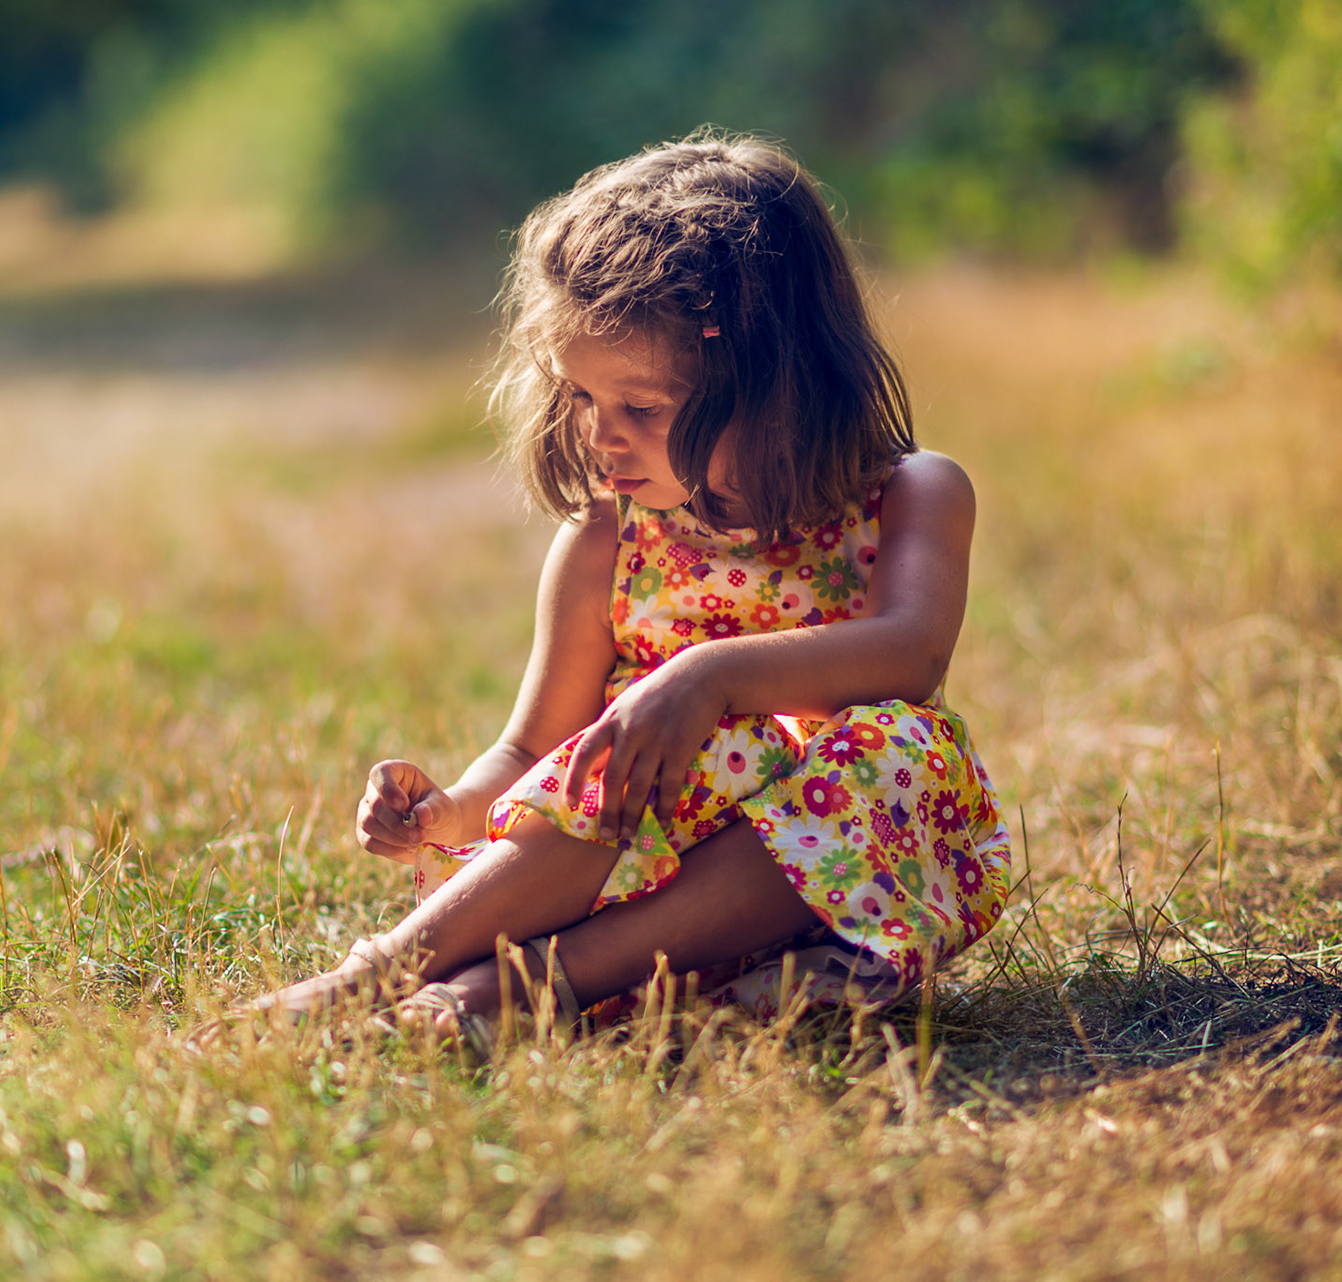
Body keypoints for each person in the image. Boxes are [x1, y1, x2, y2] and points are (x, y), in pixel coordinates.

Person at [236, 132, 1011, 1052]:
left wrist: (708, 677)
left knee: (897, 745)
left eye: (641, 407)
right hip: (617, 887)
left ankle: (519, 989)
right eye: (579, 397)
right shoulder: (610, 538)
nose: (602, 436)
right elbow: (533, 749)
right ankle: (381, 977)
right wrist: (448, 811)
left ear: (777, 382)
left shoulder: (908, 495)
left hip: (826, 902)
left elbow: (912, 654)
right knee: (646, 748)